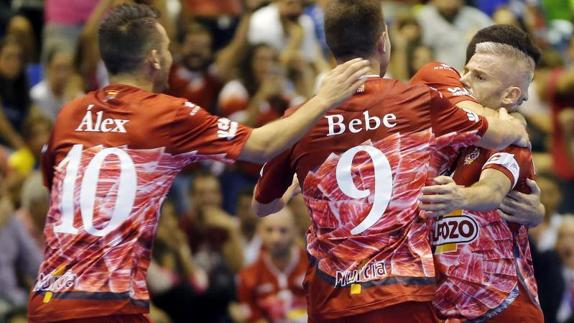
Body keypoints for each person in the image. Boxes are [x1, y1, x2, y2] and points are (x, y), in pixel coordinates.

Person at [27, 3, 370, 322]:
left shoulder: (69, 114)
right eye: (168, 48)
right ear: (154, 59)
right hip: (108, 302)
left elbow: (50, 195)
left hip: (47, 299)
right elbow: (263, 144)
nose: (171, 57)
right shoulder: (164, 114)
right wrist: (324, 97)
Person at [253, 1, 530, 322]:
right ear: (383, 42)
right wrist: (515, 122)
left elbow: (263, 206)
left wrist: (297, 185)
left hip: (332, 298)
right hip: (403, 294)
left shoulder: (299, 119)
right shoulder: (417, 101)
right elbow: (501, 134)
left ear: (330, 47)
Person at [413, 24, 544, 322]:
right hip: (447, 310)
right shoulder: (450, 129)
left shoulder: (513, 140)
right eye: (467, 70)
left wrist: (459, 195)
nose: (463, 81)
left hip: (502, 308)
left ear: (511, 95)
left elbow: (493, 190)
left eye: (480, 77)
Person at [236, 207, 307, 322]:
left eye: (283, 230)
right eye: (269, 230)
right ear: (259, 231)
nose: (276, 238)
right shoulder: (248, 276)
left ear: (295, 231)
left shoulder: (315, 267)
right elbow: (253, 317)